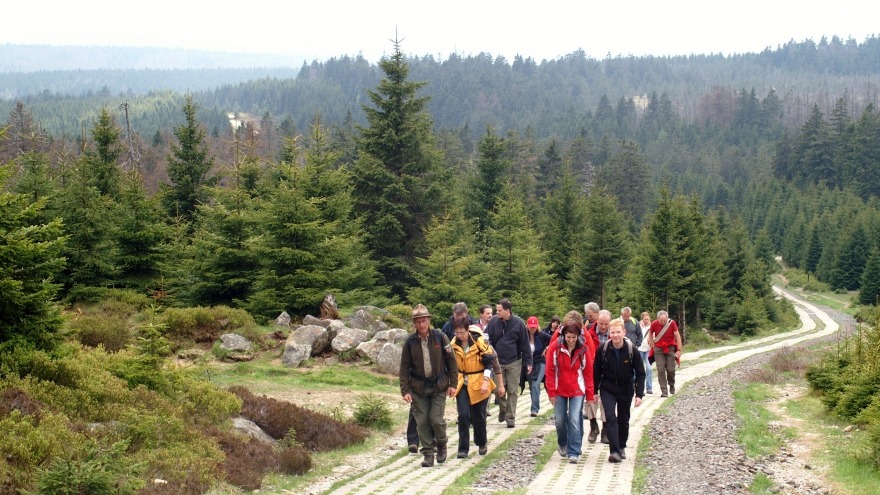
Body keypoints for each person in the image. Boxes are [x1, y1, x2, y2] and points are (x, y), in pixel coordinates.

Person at [399, 304, 458, 467]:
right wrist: (405, 390)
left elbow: (451, 361)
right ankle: (428, 454)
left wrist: (453, 383)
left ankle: (441, 443)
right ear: (414, 323)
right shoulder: (410, 342)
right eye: (417, 322)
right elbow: (404, 367)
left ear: (429, 321)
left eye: (424, 321)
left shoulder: (440, 337)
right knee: (422, 421)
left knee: (436, 420)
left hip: (439, 386)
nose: (421, 325)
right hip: (418, 388)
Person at [451, 320, 505, 458]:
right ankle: (463, 448)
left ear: (467, 330)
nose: (459, 335)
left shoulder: (479, 343)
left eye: (462, 332)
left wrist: (486, 381)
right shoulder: (453, 345)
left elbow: (489, 364)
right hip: (462, 381)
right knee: (463, 415)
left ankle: (481, 442)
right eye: (456, 333)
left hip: (479, 381)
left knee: (478, 416)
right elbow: (450, 365)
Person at [545, 312, 595, 464]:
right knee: (560, 420)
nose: (571, 340)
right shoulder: (556, 346)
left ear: (578, 336)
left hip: (577, 389)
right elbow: (549, 370)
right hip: (560, 388)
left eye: (574, 337)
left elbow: (588, 373)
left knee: (574, 418)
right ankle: (563, 443)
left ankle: (574, 451)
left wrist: (590, 395)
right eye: (568, 337)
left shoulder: (584, 349)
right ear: (564, 335)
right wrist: (551, 392)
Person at [594, 319, 645, 463]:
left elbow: (640, 373)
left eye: (618, 332)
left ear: (624, 332)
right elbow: (596, 371)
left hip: (625, 389)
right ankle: (614, 451)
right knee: (610, 418)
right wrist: (594, 392)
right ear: (609, 333)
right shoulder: (603, 349)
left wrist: (639, 394)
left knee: (623, 419)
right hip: (607, 388)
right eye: (612, 332)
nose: (615, 335)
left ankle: (622, 445)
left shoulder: (631, 349)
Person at [485, 298, 532, 428]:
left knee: (512, 390)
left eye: (499, 310)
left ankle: (510, 417)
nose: (497, 312)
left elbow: (525, 343)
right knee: (497, 389)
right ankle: (503, 409)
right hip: (497, 361)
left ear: (507, 310)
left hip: (514, 361)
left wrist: (529, 362)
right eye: (497, 310)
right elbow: (486, 338)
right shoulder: (494, 321)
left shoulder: (519, 323)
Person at [646, 310, 683, 397]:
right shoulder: (654, 324)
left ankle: (671, 384)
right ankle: (664, 391)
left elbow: (677, 336)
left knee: (671, 369)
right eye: (661, 320)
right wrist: (653, 346)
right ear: (657, 318)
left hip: (670, 348)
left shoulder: (672, 323)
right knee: (660, 369)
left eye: (664, 320)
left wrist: (679, 349)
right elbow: (650, 334)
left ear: (667, 318)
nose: (663, 322)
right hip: (658, 349)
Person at [525, 316, 551, 417]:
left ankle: (534, 409)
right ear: (527, 325)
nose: (532, 328)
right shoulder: (524, 336)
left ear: (537, 326)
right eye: (530, 326)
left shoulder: (542, 335)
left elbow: (556, 339)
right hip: (528, 363)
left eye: (534, 326)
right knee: (532, 386)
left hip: (540, 362)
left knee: (536, 384)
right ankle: (534, 406)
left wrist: (547, 347)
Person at [638, 311, 653, 394]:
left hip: (648, 349)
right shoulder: (639, 326)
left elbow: (655, 336)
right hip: (640, 349)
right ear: (642, 319)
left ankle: (649, 387)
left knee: (649, 368)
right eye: (645, 319)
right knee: (640, 369)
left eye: (647, 319)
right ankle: (640, 388)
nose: (646, 320)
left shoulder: (652, 326)